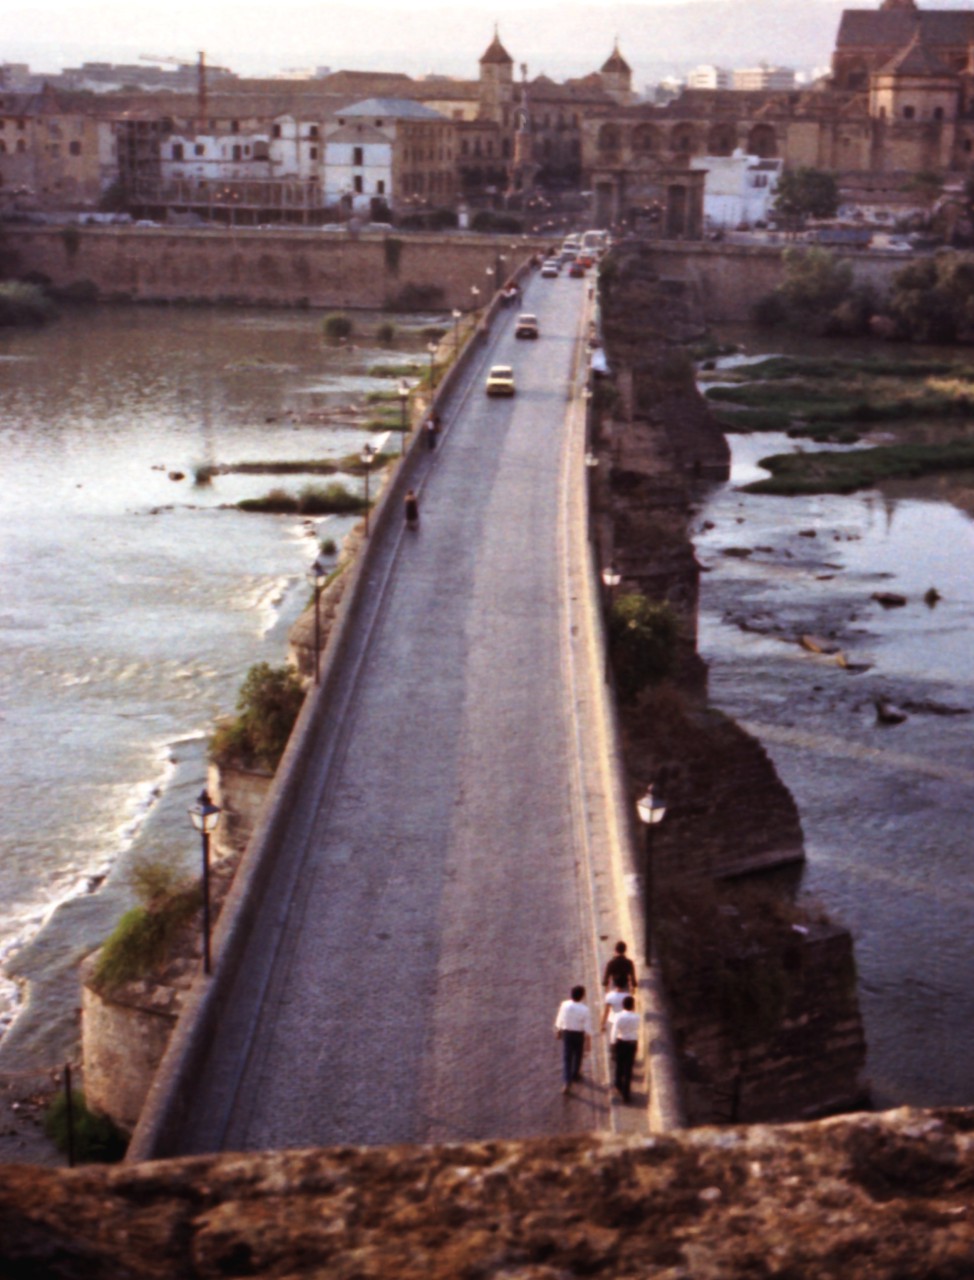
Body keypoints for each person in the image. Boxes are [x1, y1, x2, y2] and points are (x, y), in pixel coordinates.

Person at [554, 985, 592, 1095]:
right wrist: (588, 1041)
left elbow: (560, 1018)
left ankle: (567, 1081)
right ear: (582, 996)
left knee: (567, 1057)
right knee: (578, 1054)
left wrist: (558, 1031)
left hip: (567, 1033)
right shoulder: (585, 1009)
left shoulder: (565, 1005)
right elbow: (587, 1026)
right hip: (579, 1034)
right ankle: (576, 1074)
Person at [611, 995, 640, 1103]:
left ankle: (618, 1084)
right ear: (633, 1005)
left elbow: (614, 1031)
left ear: (623, 1005)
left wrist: (613, 1043)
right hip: (632, 1043)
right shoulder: (637, 1017)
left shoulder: (618, 1016)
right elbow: (637, 1029)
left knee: (619, 1065)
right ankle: (626, 1094)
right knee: (628, 1068)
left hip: (620, 1041)